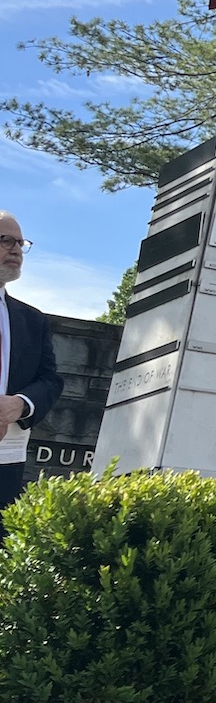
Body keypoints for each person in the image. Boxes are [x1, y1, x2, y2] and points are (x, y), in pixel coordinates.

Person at [0, 213, 60, 525]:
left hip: (5, 463)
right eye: (4, 240)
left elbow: (49, 380)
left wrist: (20, 404)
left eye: (21, 243)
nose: (16, 250)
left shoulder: (32, 321)